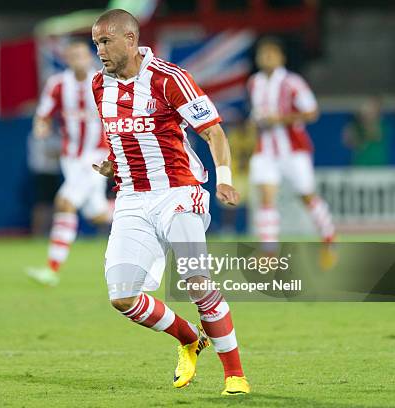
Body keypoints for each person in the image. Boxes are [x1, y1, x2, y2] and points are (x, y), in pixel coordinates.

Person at [90, 9, 249, 395]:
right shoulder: (99, 85)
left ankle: (235, 375)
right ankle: (189, 339)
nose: (100, 51)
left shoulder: (169, 79)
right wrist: (115, 165)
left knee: (196, 280)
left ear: (130, 39)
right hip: (131, 198)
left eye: (106, 42)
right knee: (122, 296)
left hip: (178, 191)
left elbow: (213, 133)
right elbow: (122, 138)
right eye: (96, 43)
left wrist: (225, 180)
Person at [26, 40, 110, 286]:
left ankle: (51, 269)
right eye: (72, 57)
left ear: (89, 57)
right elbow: (42, 115)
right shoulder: (58, 84)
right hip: (70, 158)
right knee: (97, 213)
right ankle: (144, 215)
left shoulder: (103, 81)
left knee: (65, 202)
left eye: (81, 56)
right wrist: (40, 128)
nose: (78, 61)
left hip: (97, 155)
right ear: (67, 60)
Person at [247, 37, 336, 262]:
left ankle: (328, 238)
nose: (266, 58)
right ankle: (268, 253)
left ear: (281, 57)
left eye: (271, 54)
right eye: (262, 54)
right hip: (265, 150)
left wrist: (280, 119)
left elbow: (312, 112)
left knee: (307, 196)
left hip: (293, 150)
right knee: (266, 198)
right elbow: (257, 113)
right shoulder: (254, 82)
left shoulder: (292, 82)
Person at [342, 97, 390, 166]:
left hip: (378, 167)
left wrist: (363, 121)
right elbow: (348, 142)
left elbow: (375, 135)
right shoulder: (356, 127)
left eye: (373, 109)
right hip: (360, 166)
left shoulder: (383, 125)